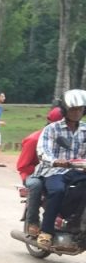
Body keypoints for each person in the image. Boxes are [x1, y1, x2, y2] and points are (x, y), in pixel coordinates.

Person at [34, 89, 86, 249]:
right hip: (54, 171)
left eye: (80, 109)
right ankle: (46, 231)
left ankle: (75, 221)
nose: (77, 112)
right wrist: (56, 161)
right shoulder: (52, 129)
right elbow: (42, 151)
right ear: (64, 110)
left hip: (78, 171)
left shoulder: (84, 129)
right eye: (73, 109)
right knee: (57, 191)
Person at [16, 106, 64, 235]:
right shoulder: (34, 140)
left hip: (57, 173)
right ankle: (33, 221)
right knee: (36, 185)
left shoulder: (66, 140)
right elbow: (22, 166)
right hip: (33, 174)